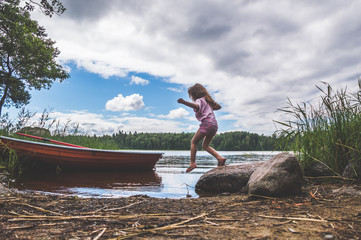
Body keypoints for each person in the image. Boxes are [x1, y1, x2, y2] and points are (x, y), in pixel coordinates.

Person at [177, 83, 226, 173]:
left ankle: (192, 163)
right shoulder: (207, 101)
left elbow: (196, 106)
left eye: (191, 95)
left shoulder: (199, 100)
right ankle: (220, 158)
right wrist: (209, 107)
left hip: (207, 122)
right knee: (205, 145)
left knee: (193, 142)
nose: (191, 97)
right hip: (214, 124)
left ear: (195, 94)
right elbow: (218, 107)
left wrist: (184, 102)